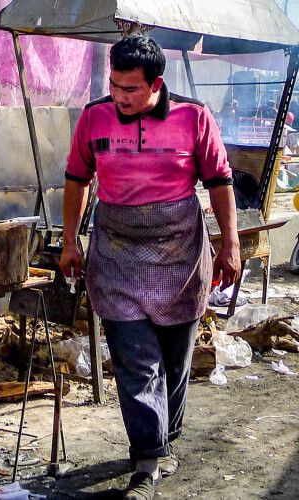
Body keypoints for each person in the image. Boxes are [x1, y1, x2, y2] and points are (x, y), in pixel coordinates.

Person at [59, 36, 241, 500]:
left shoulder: (194, 117)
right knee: (134, 361)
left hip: (179, 254)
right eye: (114, 85)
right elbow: (77, 178)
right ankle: (146, 457)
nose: (119, 96)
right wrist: (69, 242)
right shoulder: (94, 117)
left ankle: (164, 438)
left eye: (131, 89)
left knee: (175, 362)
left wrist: (230, 244)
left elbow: (219, 182)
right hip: (116, 251)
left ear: (156, 83)